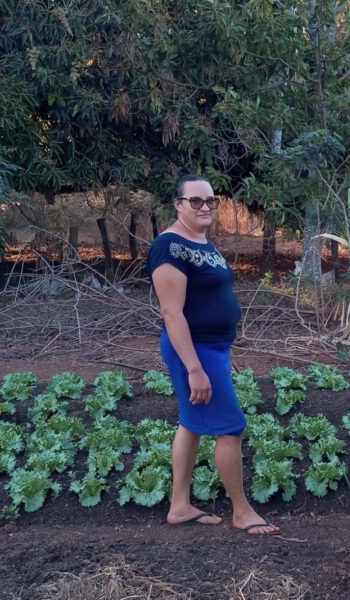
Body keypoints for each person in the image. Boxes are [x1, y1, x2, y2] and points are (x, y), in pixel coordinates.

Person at [147, 174, 279, 535]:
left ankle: (179, 506)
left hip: (212, 350)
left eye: (211, 201)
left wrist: (220, 353)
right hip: (194, 351)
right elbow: (172, 313)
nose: (205, 207)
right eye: (195, 201)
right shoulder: (169, 247)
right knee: (231, 427)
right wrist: (195, 368)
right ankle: (241, 511)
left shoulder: (200, 241)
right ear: (177, 204)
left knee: (191, 424)